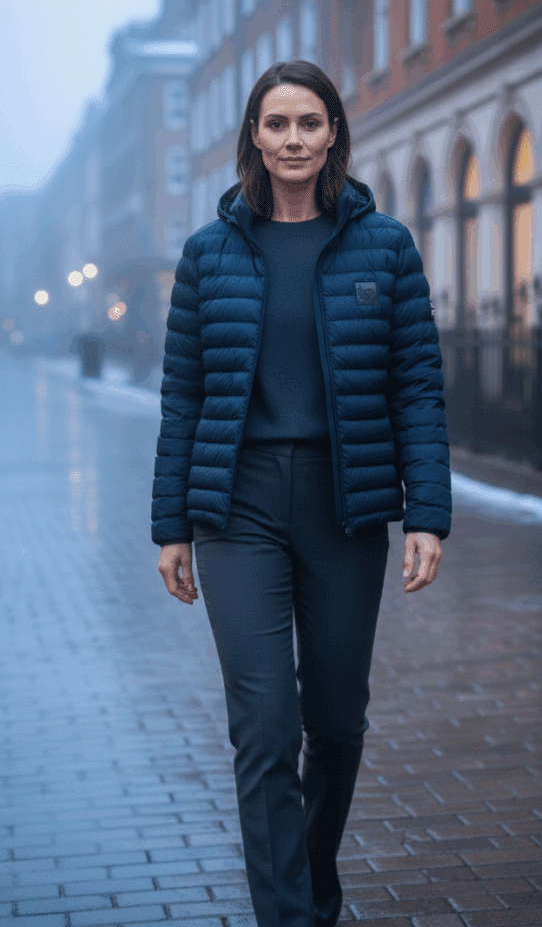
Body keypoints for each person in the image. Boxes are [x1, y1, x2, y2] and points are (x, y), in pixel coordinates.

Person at [152, 60, 452, 927]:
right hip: (236, 510)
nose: (293, 139)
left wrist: (426, 511)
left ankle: (312, 876)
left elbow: (417, 389)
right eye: (276, 123)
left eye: (309, 123)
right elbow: (184, 396)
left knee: (338, 721)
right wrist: (171, 523)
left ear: (333, 136)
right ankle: (288, 913)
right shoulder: (208, 254)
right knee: (265, 726)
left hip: (345, 505)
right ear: (253, 134)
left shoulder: (384, 246)